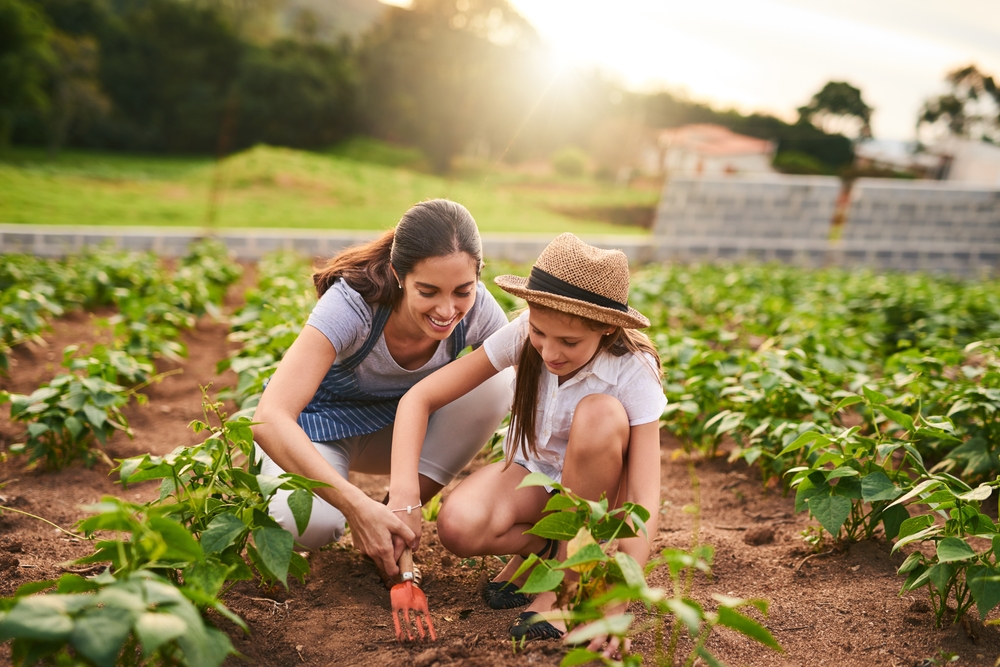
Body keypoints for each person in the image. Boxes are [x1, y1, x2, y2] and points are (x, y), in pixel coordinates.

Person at [388, 233, 665, 652]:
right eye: (539, 332)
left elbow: (644, 497)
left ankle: (568, 588)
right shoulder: (523, 333)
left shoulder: (634, 371)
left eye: (569, 342)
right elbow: (420, 397)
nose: (549, 352)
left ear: (608, 327)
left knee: (598, 412)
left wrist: (617, 603)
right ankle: (551, 550)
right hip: (535, 477)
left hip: (597, 500)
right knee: (458, 526)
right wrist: (405, 499)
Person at [251, 199, 513, 578]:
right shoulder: (353, 305)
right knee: (306, 524)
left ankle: (394, 524)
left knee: (500, 377)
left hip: (400, 436)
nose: (446, 309)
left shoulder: (478, 310)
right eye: (428, 291)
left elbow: (533, 387)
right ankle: (343, 506)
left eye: (462, 290)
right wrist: (357, 506)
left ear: (477, 276)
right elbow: (269, 416)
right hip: (321, 432)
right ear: (398, 275)